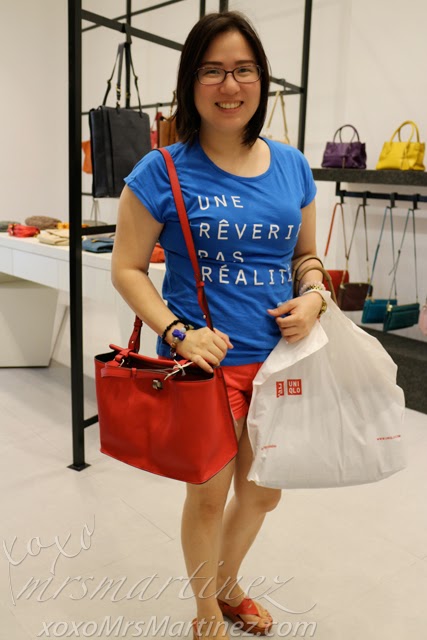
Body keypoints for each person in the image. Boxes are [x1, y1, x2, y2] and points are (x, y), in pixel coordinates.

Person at [112, 11, 325, 640]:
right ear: (190, 82)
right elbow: (127, 269)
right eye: (212, 71)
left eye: (243, 70)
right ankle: (208, 607)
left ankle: (228, 584)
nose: (229, 86)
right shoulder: (161, 170)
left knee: (263, 493)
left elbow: (305, 257)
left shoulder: (292, 166)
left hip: (280, 362)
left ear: (262, 80)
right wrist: (179, 331)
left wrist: (315, 295)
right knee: (207, 497)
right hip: (205, 366)